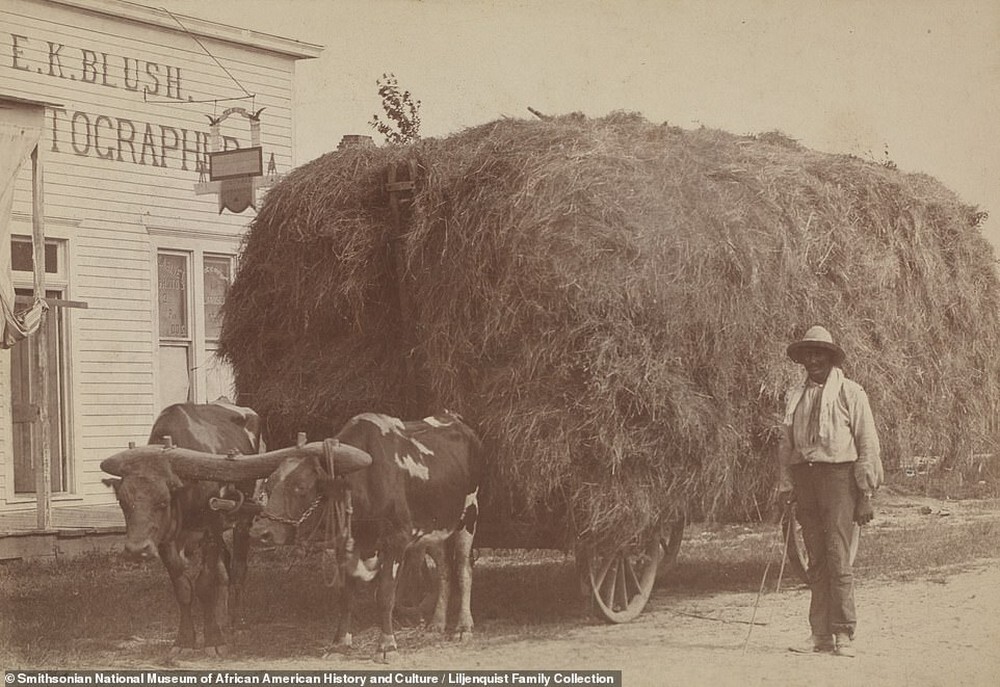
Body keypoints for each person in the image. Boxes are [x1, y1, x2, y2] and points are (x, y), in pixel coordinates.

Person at [777, 325, 883, 658]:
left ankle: (844, 633)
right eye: (808, 354)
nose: (813, 360)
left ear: (830, 357)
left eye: (819, 353)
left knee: (839, 556)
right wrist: (787, 484)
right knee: (816, 559)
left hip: (839, 479)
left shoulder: (851, 393)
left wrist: (865, 494)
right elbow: (786, 445)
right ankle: (819, 634)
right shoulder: (795, 397)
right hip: (806, 480)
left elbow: (867, 443)